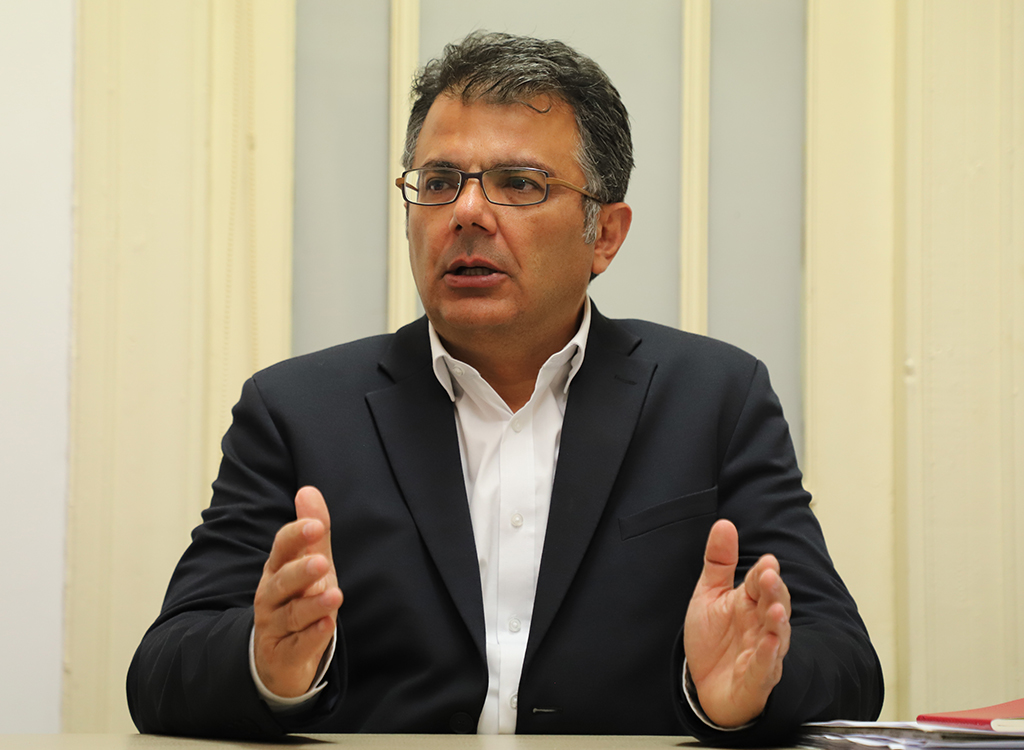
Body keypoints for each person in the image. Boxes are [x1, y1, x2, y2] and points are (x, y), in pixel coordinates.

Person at [127, 31, 883, 743]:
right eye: (439, 182)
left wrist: (736, 694)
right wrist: (270, 665)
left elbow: (846, 661)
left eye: (518, 183)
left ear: (605, 234)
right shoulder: (298, 412)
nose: (465, 213)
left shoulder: (714, 400)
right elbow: (161, 670)